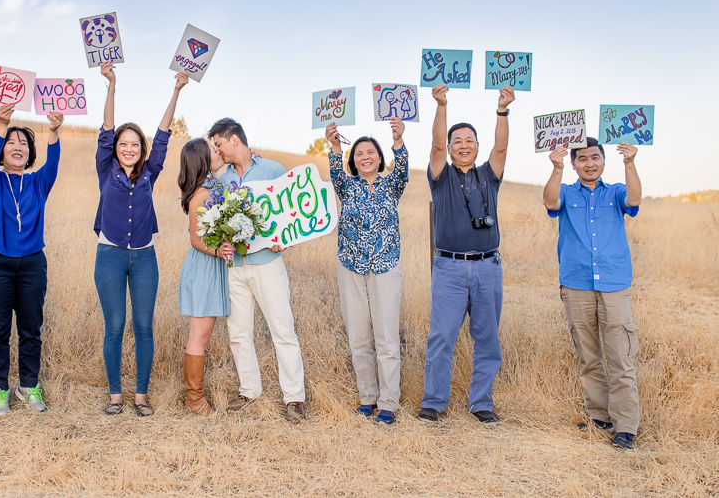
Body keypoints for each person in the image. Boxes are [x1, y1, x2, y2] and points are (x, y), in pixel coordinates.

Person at [94, 62, 187, 416]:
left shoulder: (149, 172)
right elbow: (105, 129)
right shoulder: (106, 170)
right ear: (115, 148)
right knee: (115, 326)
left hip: (145, 257)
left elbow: (163, 135)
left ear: (141, 149)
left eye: (135, 144)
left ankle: (141, 396)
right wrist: (111, 86)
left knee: (144, 326)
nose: (128, 148)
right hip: (110, 256)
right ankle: (116, 395)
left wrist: (176, 91)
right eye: (123, 143)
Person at [418, 84, 515, 425]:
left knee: (487, 338)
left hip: (488, 267)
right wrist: (442, 104)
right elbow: (434, 144)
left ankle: (481, 402)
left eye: (469, 141)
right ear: (450, 147)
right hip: (450, 269)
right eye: (456, 141)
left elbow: (501, 145)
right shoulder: (440, 177)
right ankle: (433, 402)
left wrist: (502, 110)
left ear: (476, 146)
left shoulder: (489, 176)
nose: (462, 145)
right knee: (442, 336)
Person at [542, 138, 642, 450]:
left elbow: (636, 201)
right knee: (589, 356)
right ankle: (599, 417)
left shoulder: (615, 192)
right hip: (577, 284)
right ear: (573, 163)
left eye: (595, 157)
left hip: (613, 284)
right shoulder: (567, 191)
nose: (589, 163)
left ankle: (625, 427)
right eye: (582, 158)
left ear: (603, 161)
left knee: (621, 357)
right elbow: (549, 202)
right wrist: (555, 169)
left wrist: (630, 163)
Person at [208, 118, 307, 422]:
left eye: (218, 144)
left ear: (234, 140)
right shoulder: (221, 180)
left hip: (267, 264)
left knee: (282, 329)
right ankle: (249, 390)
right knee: (239, 332)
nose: (217, 150)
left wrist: (285, 241)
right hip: (234, 267)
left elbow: (293, 214)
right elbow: (214, 217)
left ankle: (294, 399)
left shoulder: (273, 170)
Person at [0, 104, 64, 415]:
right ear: (3, 151)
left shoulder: (39, 183)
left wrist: (53, 131)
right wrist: (2, 124)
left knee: (31, 328)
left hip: (31, 265)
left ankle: (28, 385)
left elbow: (53, 161)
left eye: (24, 143)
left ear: (30, 153)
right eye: (11, 142)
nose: (17, 147)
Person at [325, 118, 408, 425]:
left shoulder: (391, 185)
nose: (365, 156)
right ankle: (368, 397)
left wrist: (398, 140)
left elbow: (402, 168)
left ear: (379, 157)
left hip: (386, 266)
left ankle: (388, 402)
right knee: (359, 337)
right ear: (353, 160)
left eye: (370, 151)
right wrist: (335, 143)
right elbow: (335, 169)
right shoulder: (347, 186)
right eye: (358, 153)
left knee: (386, 338)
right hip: (350, 267)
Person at [176, 138, 235, 416]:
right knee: (199, 335)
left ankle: (194, 397)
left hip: (213, 267)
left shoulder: (215, 185)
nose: (218, 151)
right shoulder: (201, 194)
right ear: (202, 159)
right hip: (203, 267)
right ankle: (194, 399)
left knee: (204, 333)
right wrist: (218, 249)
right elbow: (195, 238)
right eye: (213, 150)